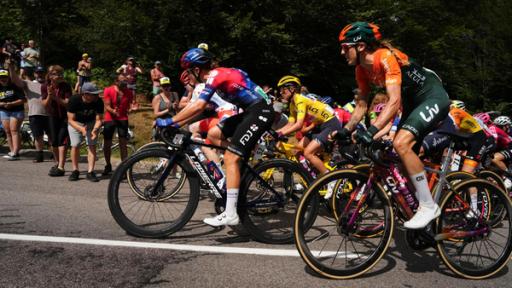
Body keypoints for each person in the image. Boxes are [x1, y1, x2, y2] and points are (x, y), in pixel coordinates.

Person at [336, 22, 450, 229]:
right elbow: (361, 104)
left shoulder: (384, 57)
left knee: (401, 143)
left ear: (360, 46)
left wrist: (371, 131)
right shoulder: (361, 69)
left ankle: (428, 206)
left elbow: (394, 101)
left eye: (345, 47)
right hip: (412, 103)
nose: (341, 51)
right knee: (399, 158)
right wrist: (346, 130)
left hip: (432, 97)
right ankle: (418, 205)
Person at [163, 48, 273, 226]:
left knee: (230, 157)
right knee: (213, 135)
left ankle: (231, 214)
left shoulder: (215, 75)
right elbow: (197, 108)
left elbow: (199, 106)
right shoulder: (214, 77)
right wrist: (175, 123)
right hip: (250, 112)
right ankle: (239, 162)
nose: (187, 77)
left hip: (260, 111)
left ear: (197, 70)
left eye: (188, 72)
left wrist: (170, 121)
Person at [275, 75, 343, 179]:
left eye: (283, 90)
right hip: (318, 126)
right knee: (297, 152)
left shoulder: (300, 100)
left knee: (308, 153)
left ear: (292, 89)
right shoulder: (292, 104)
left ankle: (330, 180)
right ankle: (312, 178)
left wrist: (281, 133)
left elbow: (298, 125)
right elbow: (290, 124)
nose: (280, 93)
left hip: (330, 124)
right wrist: (273, 133)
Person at [8, 61, 49, 163]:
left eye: (42, 72)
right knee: (37, 136)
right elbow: (15, 80)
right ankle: (40, 155)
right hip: (35, 114)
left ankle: (56, 155)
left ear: (45, 74)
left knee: (52, 136)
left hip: (50, 114)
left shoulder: (50, 84)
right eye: (38, 73)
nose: (40, 74)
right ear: (35, 74)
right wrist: (11, 68)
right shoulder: (28, 83)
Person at [67, 82, 104, 182]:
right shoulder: (74, 100)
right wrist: (81, 129)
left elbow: (99, 119)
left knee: (92, 145)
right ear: (86, 94)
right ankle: (75, 170)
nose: (97, 96)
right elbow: (70, 120)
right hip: (76, 122)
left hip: (91, 122)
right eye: (94, 94)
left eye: (97, 93)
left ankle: (90, 171)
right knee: (75, 145)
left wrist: (95, 130)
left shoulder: (99, 101)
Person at [102, 74, 138, 175]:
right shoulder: (108, 90)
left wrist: (132, 109)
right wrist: (113, 111)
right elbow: (107, 106)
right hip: (110, 118)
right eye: (122, 82)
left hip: (122, 118)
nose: (124, 83)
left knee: (123, 143)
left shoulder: (129, 92)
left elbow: (131, 105)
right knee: (107, 143)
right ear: (116, 81)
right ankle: (108, 165)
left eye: (125, 81)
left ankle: (123, 168)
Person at [42, 65, 72, 177]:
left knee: (62, 140)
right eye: (55, 74)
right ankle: (57, 163)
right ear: (49, 75)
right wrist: (50, 96)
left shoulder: (65, 86)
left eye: (60, 74)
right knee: (54, 141)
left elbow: (67, 103)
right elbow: (44, 104)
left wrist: (56, 98)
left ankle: (61, 167)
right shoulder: (45, 86)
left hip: (64, 117)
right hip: (52, 116)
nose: (58, 76)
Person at [0, 66, 25, 160]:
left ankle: (16, 152)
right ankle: (12, 152)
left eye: (5, 77)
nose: (3, 79)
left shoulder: (14, 86)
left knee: (14, 130)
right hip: (4, 111)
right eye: (1, 77)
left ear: (8, 77)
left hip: (16, 111)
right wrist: (2, 104)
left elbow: (23, 100)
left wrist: (11, 103)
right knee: (7, 131)